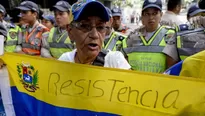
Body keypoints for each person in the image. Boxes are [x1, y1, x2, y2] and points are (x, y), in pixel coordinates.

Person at [59, 0, 130, 69]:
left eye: (100, 27)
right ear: (70, 31)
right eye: (85, 26)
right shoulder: (64, 61)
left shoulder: (115, 62)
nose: (95, 35)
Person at [123, 0, 176, 73]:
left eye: (154, 13)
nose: (151, 17)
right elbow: (124, 61)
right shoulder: (131, 37)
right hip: (134, 82)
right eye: (147, 14)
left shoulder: (170, 35)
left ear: (161, 15)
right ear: (142, 16)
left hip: (159, 82)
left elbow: (172, 67)